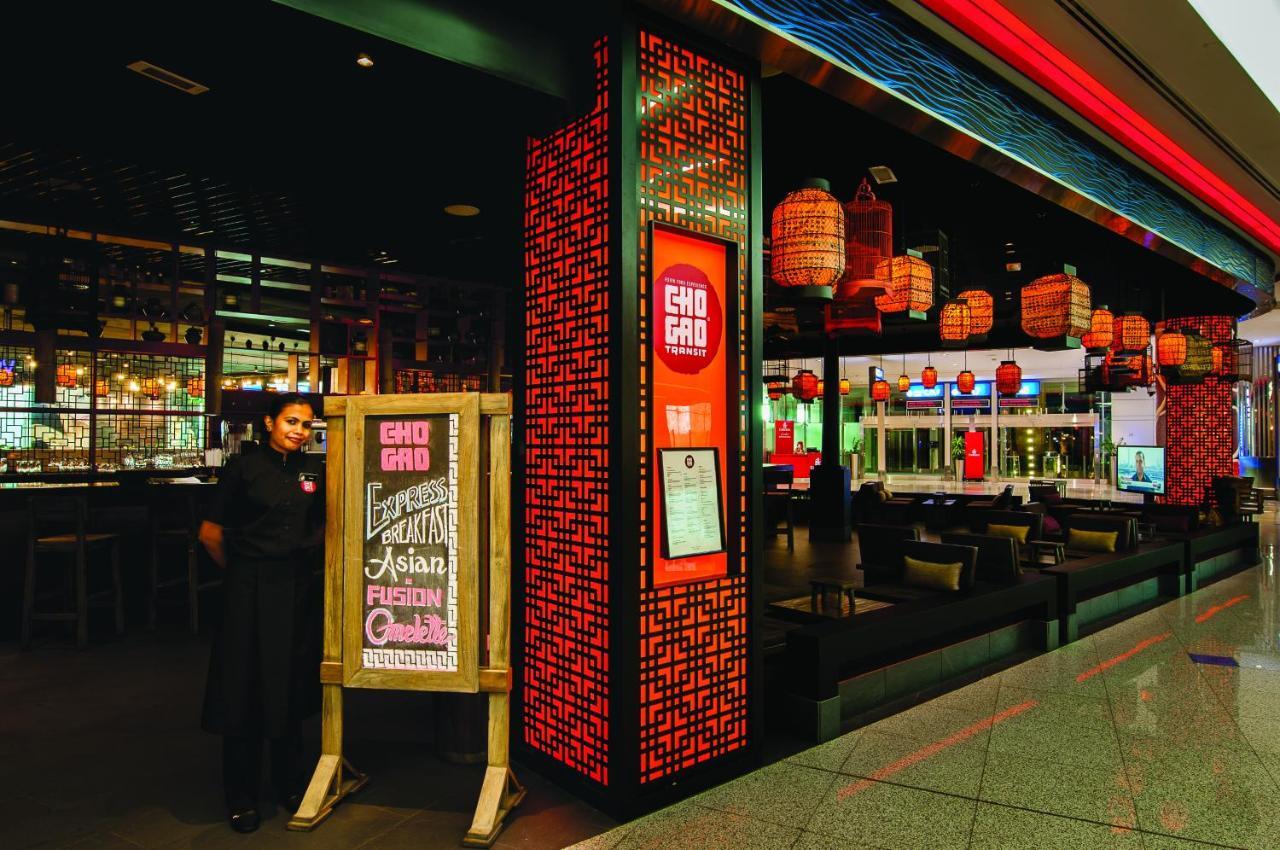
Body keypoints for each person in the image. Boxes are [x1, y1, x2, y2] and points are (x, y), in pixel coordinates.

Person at [199, 393, 324, 833]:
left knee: (288, 684)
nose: (299, 431)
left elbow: (322, 526)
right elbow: (210, 533)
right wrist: (242, 572)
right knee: (243, 688)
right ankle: (241, 795)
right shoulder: (243, 468)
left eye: (307, 425)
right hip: (247, 589)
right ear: (270, 422)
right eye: (291, 421)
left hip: (295, 589)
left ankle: (290, 785)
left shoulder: (315, 471)